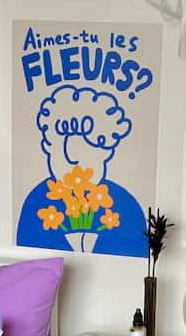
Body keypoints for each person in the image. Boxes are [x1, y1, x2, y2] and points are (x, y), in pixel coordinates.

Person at [17, 84, 147, 256]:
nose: (72, 157)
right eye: (61, 141)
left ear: (106, 151)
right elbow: (28, 262)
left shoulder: (124, 205)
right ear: (48, 145)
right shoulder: (37, 202)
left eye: (90, 146)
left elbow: (135, 255)